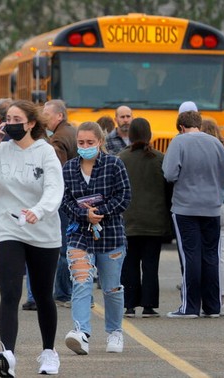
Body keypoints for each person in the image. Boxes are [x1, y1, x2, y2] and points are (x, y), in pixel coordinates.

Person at [0, 100, 64, 376]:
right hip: (7, 229)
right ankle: (7, 355)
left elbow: (54, 189)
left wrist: (39, 211)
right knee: (10, 293)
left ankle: (49, 352)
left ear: (31, 123)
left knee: (42, 294)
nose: (10, 123)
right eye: (7, 118)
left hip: (42, 230)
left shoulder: (45, 152)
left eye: (16, 119)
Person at [61, 121, 131, 355]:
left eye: (90, 142)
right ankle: (81, 332)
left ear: (100, 142)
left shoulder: (114, 164)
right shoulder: (69, 168)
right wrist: (84, 214)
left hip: (110, 233)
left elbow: (124, 196)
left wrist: (101, 213)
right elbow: (64, 200)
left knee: (111, 288)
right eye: (81, 142)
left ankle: (115, 332)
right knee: (81, 282)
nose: (85, 146)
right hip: (80, 233)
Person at [162, 108, 224, 318]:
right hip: (212, 207)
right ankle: (213, 306)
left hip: (186, 207)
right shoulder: (216, 143)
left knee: (190, 255)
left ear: (181, 127)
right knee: (211, 255)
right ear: (199, 125)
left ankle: (190, 306)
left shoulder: (179, 142)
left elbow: (169, 173)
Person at [118, 118, 171, 318]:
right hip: (154, 222)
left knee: (129, 263)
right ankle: (149, 305)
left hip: (128, 221)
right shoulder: (160, 158)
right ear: (149, 135)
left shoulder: (121, 158)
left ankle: (129, 305)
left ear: (130, 135)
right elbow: (168, 190)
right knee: (150, 264)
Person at [42, 99, 77, 308]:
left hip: (65, 199)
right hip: (74, 197)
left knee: (64, 248)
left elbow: (57, 172)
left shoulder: (58, 140)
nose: (44, 118)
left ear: (59, 116)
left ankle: (64, 293)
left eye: (47, 114)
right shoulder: (71, 132)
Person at [201, 118, 224, 315]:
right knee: (220, 254)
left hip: (210, 204)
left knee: (208, 254)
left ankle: (210, 298)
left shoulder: (206, 151)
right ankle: (221, 299)